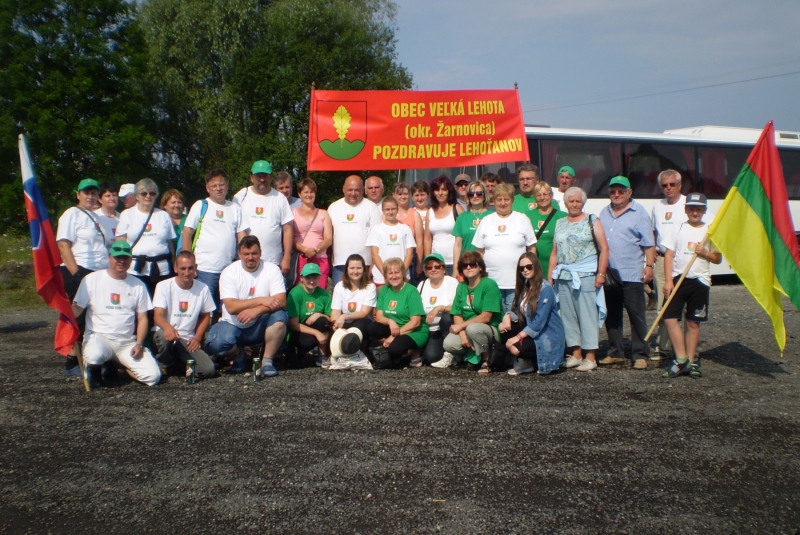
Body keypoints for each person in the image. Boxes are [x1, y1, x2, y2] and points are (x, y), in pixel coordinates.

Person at [71, 241, 161, 388]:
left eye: (125, 258)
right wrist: (66, 309)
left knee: (153, 377)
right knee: (94, 356)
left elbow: (143, 318)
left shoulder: (139, 285)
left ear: (130, 260)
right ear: (109, 257)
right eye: (117, 257)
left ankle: (119, 363)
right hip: (100, 336)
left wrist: (139, 343)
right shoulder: (91, 280)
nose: (121, 261)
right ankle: (95, 368)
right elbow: (77, 309)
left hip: (126, 341)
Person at [205, 236, 287, 377]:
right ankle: (239, 355)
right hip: (234, 324)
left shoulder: (272, 269)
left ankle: (267, 362)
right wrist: (262, 300)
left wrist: (257, 310)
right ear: (239, 255)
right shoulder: (229, 272)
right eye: (246, 254)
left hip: (260, 323)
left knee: (280, 317)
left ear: (260, 253)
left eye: (254, 253)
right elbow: (231, 306)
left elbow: (281, 300)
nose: (250, 257)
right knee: (216, 344)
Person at [598, 176, 655, 370]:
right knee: (612, 315)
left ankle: (640, 354)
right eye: (613, 191)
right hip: (610, 273)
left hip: (632, 273)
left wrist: (649, 267)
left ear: (629, 192)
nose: (616, 194)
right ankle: (616, 352)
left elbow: (649, 243)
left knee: (636, 314)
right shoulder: (604, 212)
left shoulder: (640, 213)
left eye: (621, 191)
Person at [549, 187, 609, 372]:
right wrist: (550, 276)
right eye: (571, 201)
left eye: (577, 201)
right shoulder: (559, 222)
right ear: (565, 203)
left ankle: (590, 357)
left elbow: (604, 248)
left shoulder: (592, 220)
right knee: (567, 316)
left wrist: (601, 274)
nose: (574, 204)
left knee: (587, 316)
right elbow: (554, 253)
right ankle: (576, 354)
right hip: (564, 276)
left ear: (583, 203)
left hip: (585, 275)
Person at [661, 193, 720, 378]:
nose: (695, 212)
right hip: (679, 278)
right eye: (692, 208)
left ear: (704, 210)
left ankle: (691, 361)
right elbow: (669, 254)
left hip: (700, 281)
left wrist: (705, 253)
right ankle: (681, 359)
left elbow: (717, 258)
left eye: (699, 209)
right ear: (686, 210)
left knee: (693, 323)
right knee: (669, 318)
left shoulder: (710, 231)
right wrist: (669, 280)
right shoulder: (678, 228)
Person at [57, 178, 109, 376]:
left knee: (93, 317)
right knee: (76, 317)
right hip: (79, 270)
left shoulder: (95, 216)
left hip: (97, 272)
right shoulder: (72, 214)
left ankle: (91, 358)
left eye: (94, 192)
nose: (90, 196)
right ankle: (72, 361)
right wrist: (76, 273)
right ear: (78, 194)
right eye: (86, 192)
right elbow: (63, 244)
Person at [182, 169, 249, 312]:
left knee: (225, 309)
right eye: (214, 186)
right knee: (203, 309)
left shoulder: (235, 208)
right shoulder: (201, 205)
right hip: (204, 268)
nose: (218, 188)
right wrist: (189, 263)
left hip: (228, 269)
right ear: (207, 188)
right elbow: (187, 233)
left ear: (227, 186)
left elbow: (241, 235)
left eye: (221, 184)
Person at [472, 182, 537, 313]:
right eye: (499, 199)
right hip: (492, 281)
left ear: (512, 200)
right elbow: (479, 252)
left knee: (516, 315)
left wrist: (531, 272)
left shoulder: (522, 219)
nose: (503, 203)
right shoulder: (486, 220)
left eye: (506, 199)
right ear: (493, 201)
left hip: (517, 281)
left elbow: (532, 249)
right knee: (496, 317)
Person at [152, 251, 216, 380]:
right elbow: (158, 316)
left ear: (196, 268)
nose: (187, 272)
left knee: (208, 371)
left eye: (190, 268)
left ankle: (177, 364)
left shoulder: (203, 288)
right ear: (175, 269)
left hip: (186, 339)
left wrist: (197, 338)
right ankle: (164, 362)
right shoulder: (163, 286)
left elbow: (206, 315)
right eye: (183, 268)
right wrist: (169, 328)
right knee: (163, 336)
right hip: (168, 334)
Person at [501, 252, 565, 376]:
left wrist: (517, 337)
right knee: (504, 329)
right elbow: (519, 312)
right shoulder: (525, 287)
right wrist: (507, 316)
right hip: (532, 331)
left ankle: (538, 361)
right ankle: (526, 362)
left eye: (529, 267)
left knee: (514, 348)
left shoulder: (545, 289)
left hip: (546, 335)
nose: (525, 270)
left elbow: (539, 322)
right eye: (521, 268)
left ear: (536, 266)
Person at [440, 252, 504, 373]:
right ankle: (472, 355)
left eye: (473, 264)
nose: (468, 267)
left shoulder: (489, 284)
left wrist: (461, 327)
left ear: (480, 267)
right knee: (448, 343)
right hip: (469, 329)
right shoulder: (461, 287)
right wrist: (462, 334)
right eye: (464, 265)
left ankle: (487, 360)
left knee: (473, 329)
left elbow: (486, 317)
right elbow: (457, 313)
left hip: (490, 329)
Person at [233, 160, 294, 277]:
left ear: (270, 177)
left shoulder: (279, 198)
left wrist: (287, 257)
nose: (262, 179)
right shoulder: (241, 196)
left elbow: (288, 229)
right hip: (247, 261)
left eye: (265, 176)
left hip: (273, 261)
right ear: (251, 177)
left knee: (274, 295)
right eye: (258, 176)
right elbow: (237, 228)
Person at [116, 178, 176, 297]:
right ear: (137, 196)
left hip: (162, 269)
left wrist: (174, 264)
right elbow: (120, 243)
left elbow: (170, 244)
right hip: (135, 269)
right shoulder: (127, 214)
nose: (148, 196)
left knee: (161, 305)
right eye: (144, 193)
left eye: (152, 193)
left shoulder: (163, 215)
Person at [651, 169, 687, 360]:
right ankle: (663, 346)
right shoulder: (657, 207)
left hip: (684, 258)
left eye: (672, 184)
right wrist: (654, 250)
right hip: (664, 259)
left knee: (687, 308)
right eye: (665, 185)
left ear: (680, 185)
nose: (668, 188)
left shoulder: (688, 203)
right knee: (663, 304)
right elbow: (655, 231)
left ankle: (688, 349)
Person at [366, 258, 429, 368]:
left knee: (395, 349)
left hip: (413, 330)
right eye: (390, 273)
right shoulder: (385, 290)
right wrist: (390, 321)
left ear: (403, 273)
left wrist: (393, 337)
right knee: (372, 328)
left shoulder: (411, 291)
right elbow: (379, 316)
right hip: (394, 327)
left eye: (397, 272)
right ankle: (391, 350)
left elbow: (415, 322)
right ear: (386, 276)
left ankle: (414, 351)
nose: (394, 276)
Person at [328, 175, 382, 287]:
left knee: (365, 299)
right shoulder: (333, 207)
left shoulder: (371, 207)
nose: (353, 193)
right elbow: (328, 237)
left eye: (357, 190)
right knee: (339, 299)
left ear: (363, 190)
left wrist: (373, 264)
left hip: (365, 264)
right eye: (350, 190)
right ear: (343, 189)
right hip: (340, 264)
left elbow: (378, 240)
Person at [287, 263, 332, 367]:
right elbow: (293, 324)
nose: (312, 281)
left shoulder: (324, 294)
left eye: (315, 278)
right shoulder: (295, 293)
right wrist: (316, 333)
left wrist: (319, 314)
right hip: (297, 330)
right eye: (308, 278)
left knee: (324, 322)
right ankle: (298, 352)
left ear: (320, 278)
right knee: (306, 343)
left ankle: (322, 355)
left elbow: (331, 317)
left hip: (314, 327)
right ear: (302, 278)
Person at [417, 253, 458, 366]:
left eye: (437, 266)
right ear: (425, 271)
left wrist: (439, 308)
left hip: (443, 327)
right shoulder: (422, 284)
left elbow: (457, 307)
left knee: (446, 318)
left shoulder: (451, 282)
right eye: (429, 267)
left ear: (444, 269)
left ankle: (450, 352)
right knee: (429, 357)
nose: (433, 269)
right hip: (426, 328)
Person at [366, 196, 416, 286]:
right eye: (387, 209)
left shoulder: (405, 229)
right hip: (381, 277)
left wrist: (401, 272)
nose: (390, 212)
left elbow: (409, 253)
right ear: (383, 211)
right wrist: (385, 273)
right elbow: (374, 254)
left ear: (397, 209)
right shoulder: (377, 229)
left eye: (393, 209)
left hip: (402, 276)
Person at [292, 178, 333, 288]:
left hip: (320, 259)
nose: (309, 195)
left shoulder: (323, 213)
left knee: (320, 292)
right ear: (299, 194)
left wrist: (315, 250)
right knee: (301, 291)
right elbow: (289, 238)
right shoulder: (292, 213)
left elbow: (328, 239)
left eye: (311, 192)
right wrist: (305, 250)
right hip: (300, 258)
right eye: (306, 192)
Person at [424, 175, 464, 275]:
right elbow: (428, 239)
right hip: (436, 263)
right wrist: (427, 261)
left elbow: (464, 235)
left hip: (454, 262)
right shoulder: (430, 211)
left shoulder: (457, 209)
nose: (440, 193)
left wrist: (457, 266)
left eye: (444, 189)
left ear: (449, 191)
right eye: (437, 190)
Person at [330, 254, 377, 338]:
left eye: (359, 268)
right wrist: (335, 325)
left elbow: (364, 313)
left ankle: (362, 349)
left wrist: (344, 316)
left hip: (363, 322)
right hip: (345, 321)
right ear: (346, 270)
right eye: (352, 268)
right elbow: (335, 312)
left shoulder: (370, 287)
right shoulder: (339, 286)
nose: (355, 271)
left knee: (359, 326)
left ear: (364, 270)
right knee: (333, 333)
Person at [452, 180, 493, 266]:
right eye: (471, 194)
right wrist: (456, 268)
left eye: (478, 193)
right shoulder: (462, 217)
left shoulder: (492, 216)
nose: (475, 196)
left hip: (488, 264)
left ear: (484, 195)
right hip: (467, 265)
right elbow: (458, 245)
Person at [529, 182, 566, 274]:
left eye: (545, 194)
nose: (542, 198)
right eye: (538, 195)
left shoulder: (562, 217)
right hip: (534, 267)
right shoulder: (527, 216)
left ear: (551, 195)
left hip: (556, 268)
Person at [393, 182, 425, 283]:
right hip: (392, 258)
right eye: (400, 194)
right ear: (394, 195)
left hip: (411, 260)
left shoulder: (415, 214)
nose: (403, 196)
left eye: (405, 194)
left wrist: (419, 265)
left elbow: (420, 242)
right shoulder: (387, 214)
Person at [94, 182, 120, 248]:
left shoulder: (123, 217)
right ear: (99, 199)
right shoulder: (95, 217)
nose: (112, 198)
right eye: (108, 196)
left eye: (114, 195)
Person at [160, 188, 186, 253]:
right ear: (165, 205)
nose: (177, 205)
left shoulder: (189, 219)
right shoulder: (159, 221)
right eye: (173, 202)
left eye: (179, 202)